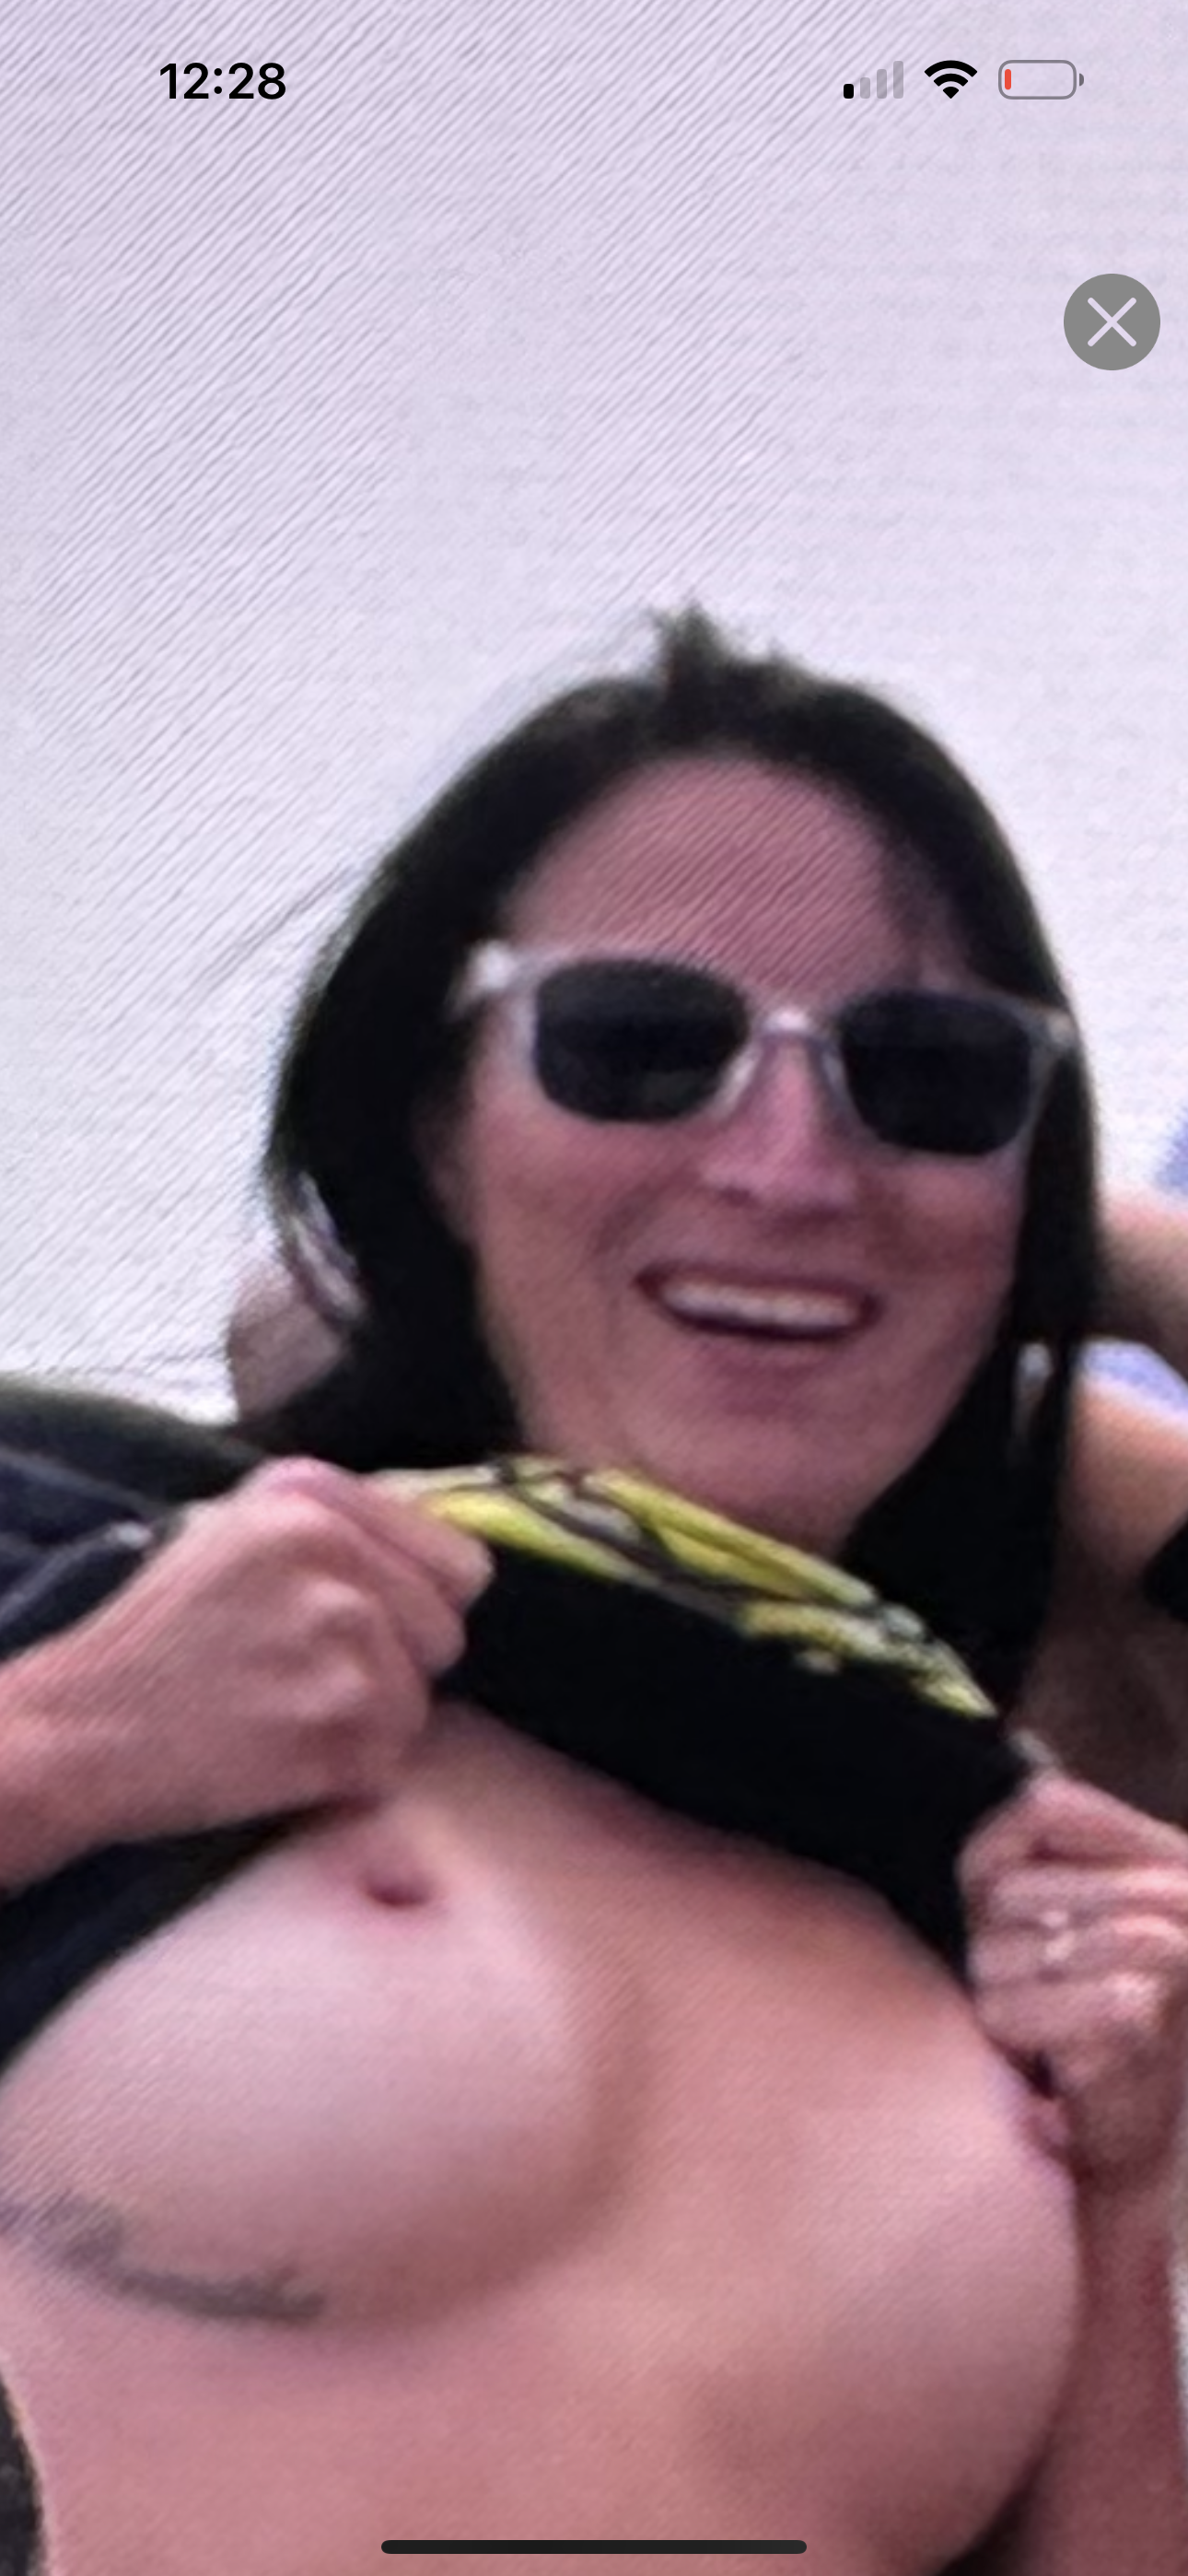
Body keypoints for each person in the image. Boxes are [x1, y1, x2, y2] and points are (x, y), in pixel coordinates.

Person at [0, 609, 1186, 2575]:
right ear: (437, 1127)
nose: (789, 1166)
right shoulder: (90, 1560)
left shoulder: (1005, 1899)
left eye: (931, 1078)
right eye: (636, 1044)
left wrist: (1129, 2204)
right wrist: (55, 1748)